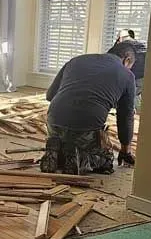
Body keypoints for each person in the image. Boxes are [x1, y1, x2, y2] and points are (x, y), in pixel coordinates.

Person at [40, 42, 137, 175]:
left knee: (66, 141)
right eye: (130, 66)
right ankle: (80, 161)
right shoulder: (127, 75)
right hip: (85, 129)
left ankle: (56, 153)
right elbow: (126, 117)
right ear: (127, 60)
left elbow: (50, 95)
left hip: (53, 123)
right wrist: (126, 150)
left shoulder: (76, 60)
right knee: (106, 159)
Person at [108, 29, 147, 110]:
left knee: (127, 100)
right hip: (146, 75)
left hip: (135, 76)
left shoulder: (120, 47)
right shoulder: (143, 44)